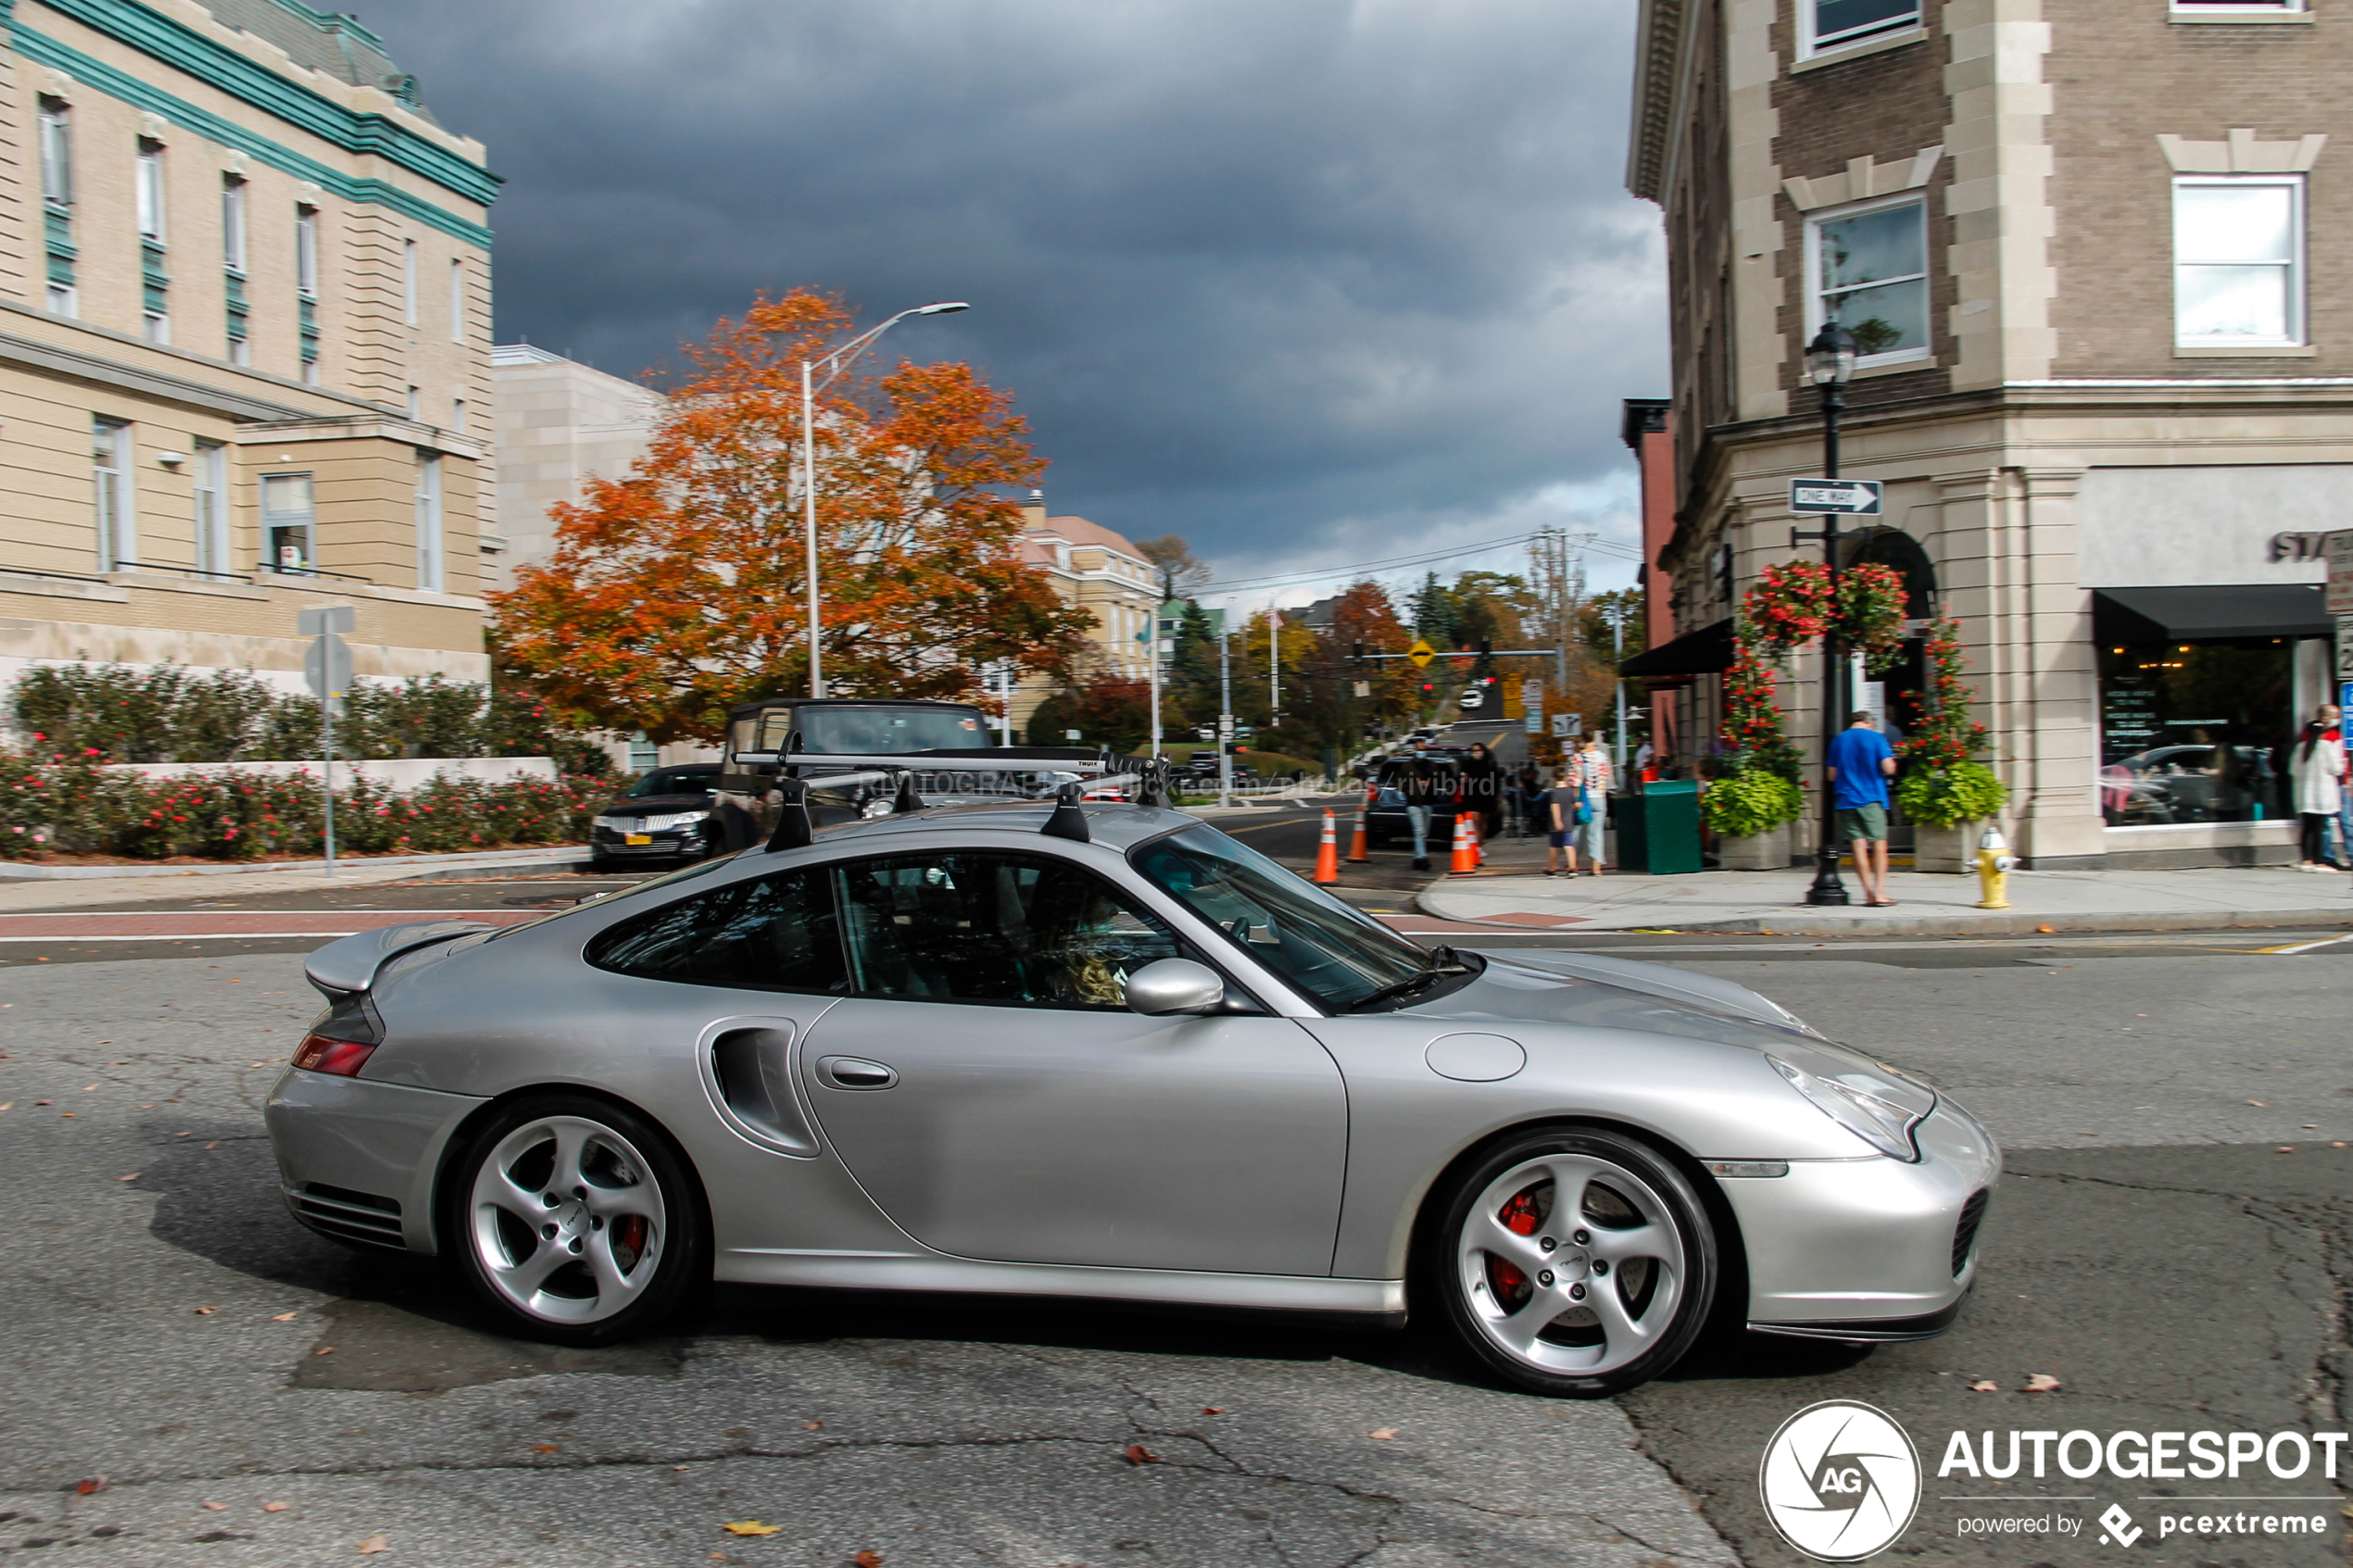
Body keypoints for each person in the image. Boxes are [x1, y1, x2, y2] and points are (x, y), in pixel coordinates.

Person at [1826, 709, 1898, 907]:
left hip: (1846, 798)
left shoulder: (1838, 741)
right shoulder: (1876, 738)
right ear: (1870, 723)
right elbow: (1889, 768)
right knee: (1879, 846)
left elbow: (1832, 775)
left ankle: (1868, 894)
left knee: (1858, 847)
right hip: (1871, 797)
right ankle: (1880, 893)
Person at [2289, 703, 2346, 871]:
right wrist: (2343, 762)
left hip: (2305, 792)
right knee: (2321, 827)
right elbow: (2336, 768)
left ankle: (2307, 860)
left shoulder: (2302, 746)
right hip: (2323, 792)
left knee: (2308, 827)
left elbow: (2292, 769)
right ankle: (2320, 861)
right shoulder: (2328, 745)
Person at [1567, 734, 1614, 875]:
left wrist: (1575, 800)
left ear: (1582, 741)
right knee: (1596, 833)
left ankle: (1573, 863)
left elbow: (1575, 781)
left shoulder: (1578, 758)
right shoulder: (1603, 757)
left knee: (1576, 831)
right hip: (1600, 798)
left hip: (1584, 799)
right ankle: (1596, 867)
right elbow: (1607, 775)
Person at [1395, 741, 1444, 872]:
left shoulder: (1431, 766)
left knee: (1424, 832)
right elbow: (1399, 784)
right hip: (1413, 802)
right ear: (1415, 750)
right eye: (1419, 749)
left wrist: (1430, 783)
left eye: (1423, 749)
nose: (1421, 752)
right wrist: (1415, 785)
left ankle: (1417, 859)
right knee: (1419, 830)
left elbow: (1440, 780)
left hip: (1428, 801)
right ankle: (1422, 858)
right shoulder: (1406, 767)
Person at [1459, 742, 1504, 842]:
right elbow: (1461, 777)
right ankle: (1476, 847)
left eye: (1479, 750)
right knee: (1476, 822)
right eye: (1474, 750)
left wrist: (1498, 794)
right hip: (1472, 797)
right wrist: (1464, 780)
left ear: (1483, 751)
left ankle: (1479, 845)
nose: (1476, 753)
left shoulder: (1490, 763)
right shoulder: (1467, 763)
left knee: (1483, 823)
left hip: (1487, 797)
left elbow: (1496, 780)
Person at [1541, 767, 1573, 875]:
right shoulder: (1570, 791)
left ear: (1553, 779)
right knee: (1569, 845)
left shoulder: (1554, 793)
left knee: (1554, 846)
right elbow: (1574, 805)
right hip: (1568, 822)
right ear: (1566, 778)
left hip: (1557, 825)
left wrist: (1557, 821)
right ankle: (1573, 867)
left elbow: (1555, 807)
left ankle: (1552, 868)